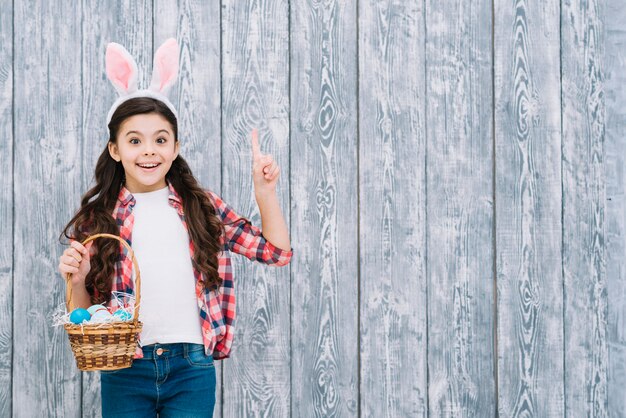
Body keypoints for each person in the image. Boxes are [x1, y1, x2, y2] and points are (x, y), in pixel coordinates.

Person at [57, 38, 293, 417]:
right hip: (124, 367)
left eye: (160, 140)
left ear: (176, 146)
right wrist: (78, 279)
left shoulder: (202, 207)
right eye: (135, 140)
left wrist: (265, 191)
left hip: (191, 367)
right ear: (115, 149)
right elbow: (83, 318)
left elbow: (276, 253)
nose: (149, 150)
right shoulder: (98, 220)